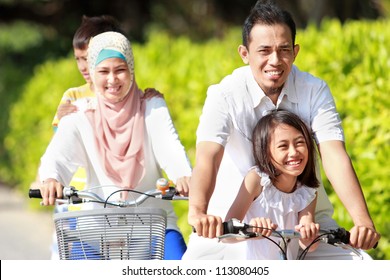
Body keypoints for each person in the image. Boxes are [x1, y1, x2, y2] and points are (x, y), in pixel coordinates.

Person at [184, 0, 380, 260]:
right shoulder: (224, 95)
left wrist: (363, 221)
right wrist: (198, 212)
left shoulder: (314, 89)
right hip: (231, 225)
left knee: (363, 266)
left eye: (284, 50)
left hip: (306, 226)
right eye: (264, 51)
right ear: (244, 53)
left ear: (295, 51)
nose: (275, 61)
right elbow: (208, 156)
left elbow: (334, 154)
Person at [36, 31, 192, 260]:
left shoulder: (151, 106)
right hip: (93, 232)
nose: (112, 79)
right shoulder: (81, 113)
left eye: (120, 70)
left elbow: (170, 146)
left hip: (153, 228)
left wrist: (183, 175)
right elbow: (58, 155)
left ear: (131, 69)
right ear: (92, 72)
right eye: (103, 71)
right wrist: (51, 179)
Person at [224, 109, 320, 259]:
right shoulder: (256, 180)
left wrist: (309, 235)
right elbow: (226, 234)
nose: (294, 152)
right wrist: (251, 231)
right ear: (266, 152)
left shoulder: (307, 192)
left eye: (300, 143)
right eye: (283, 146)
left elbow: (309, 244)